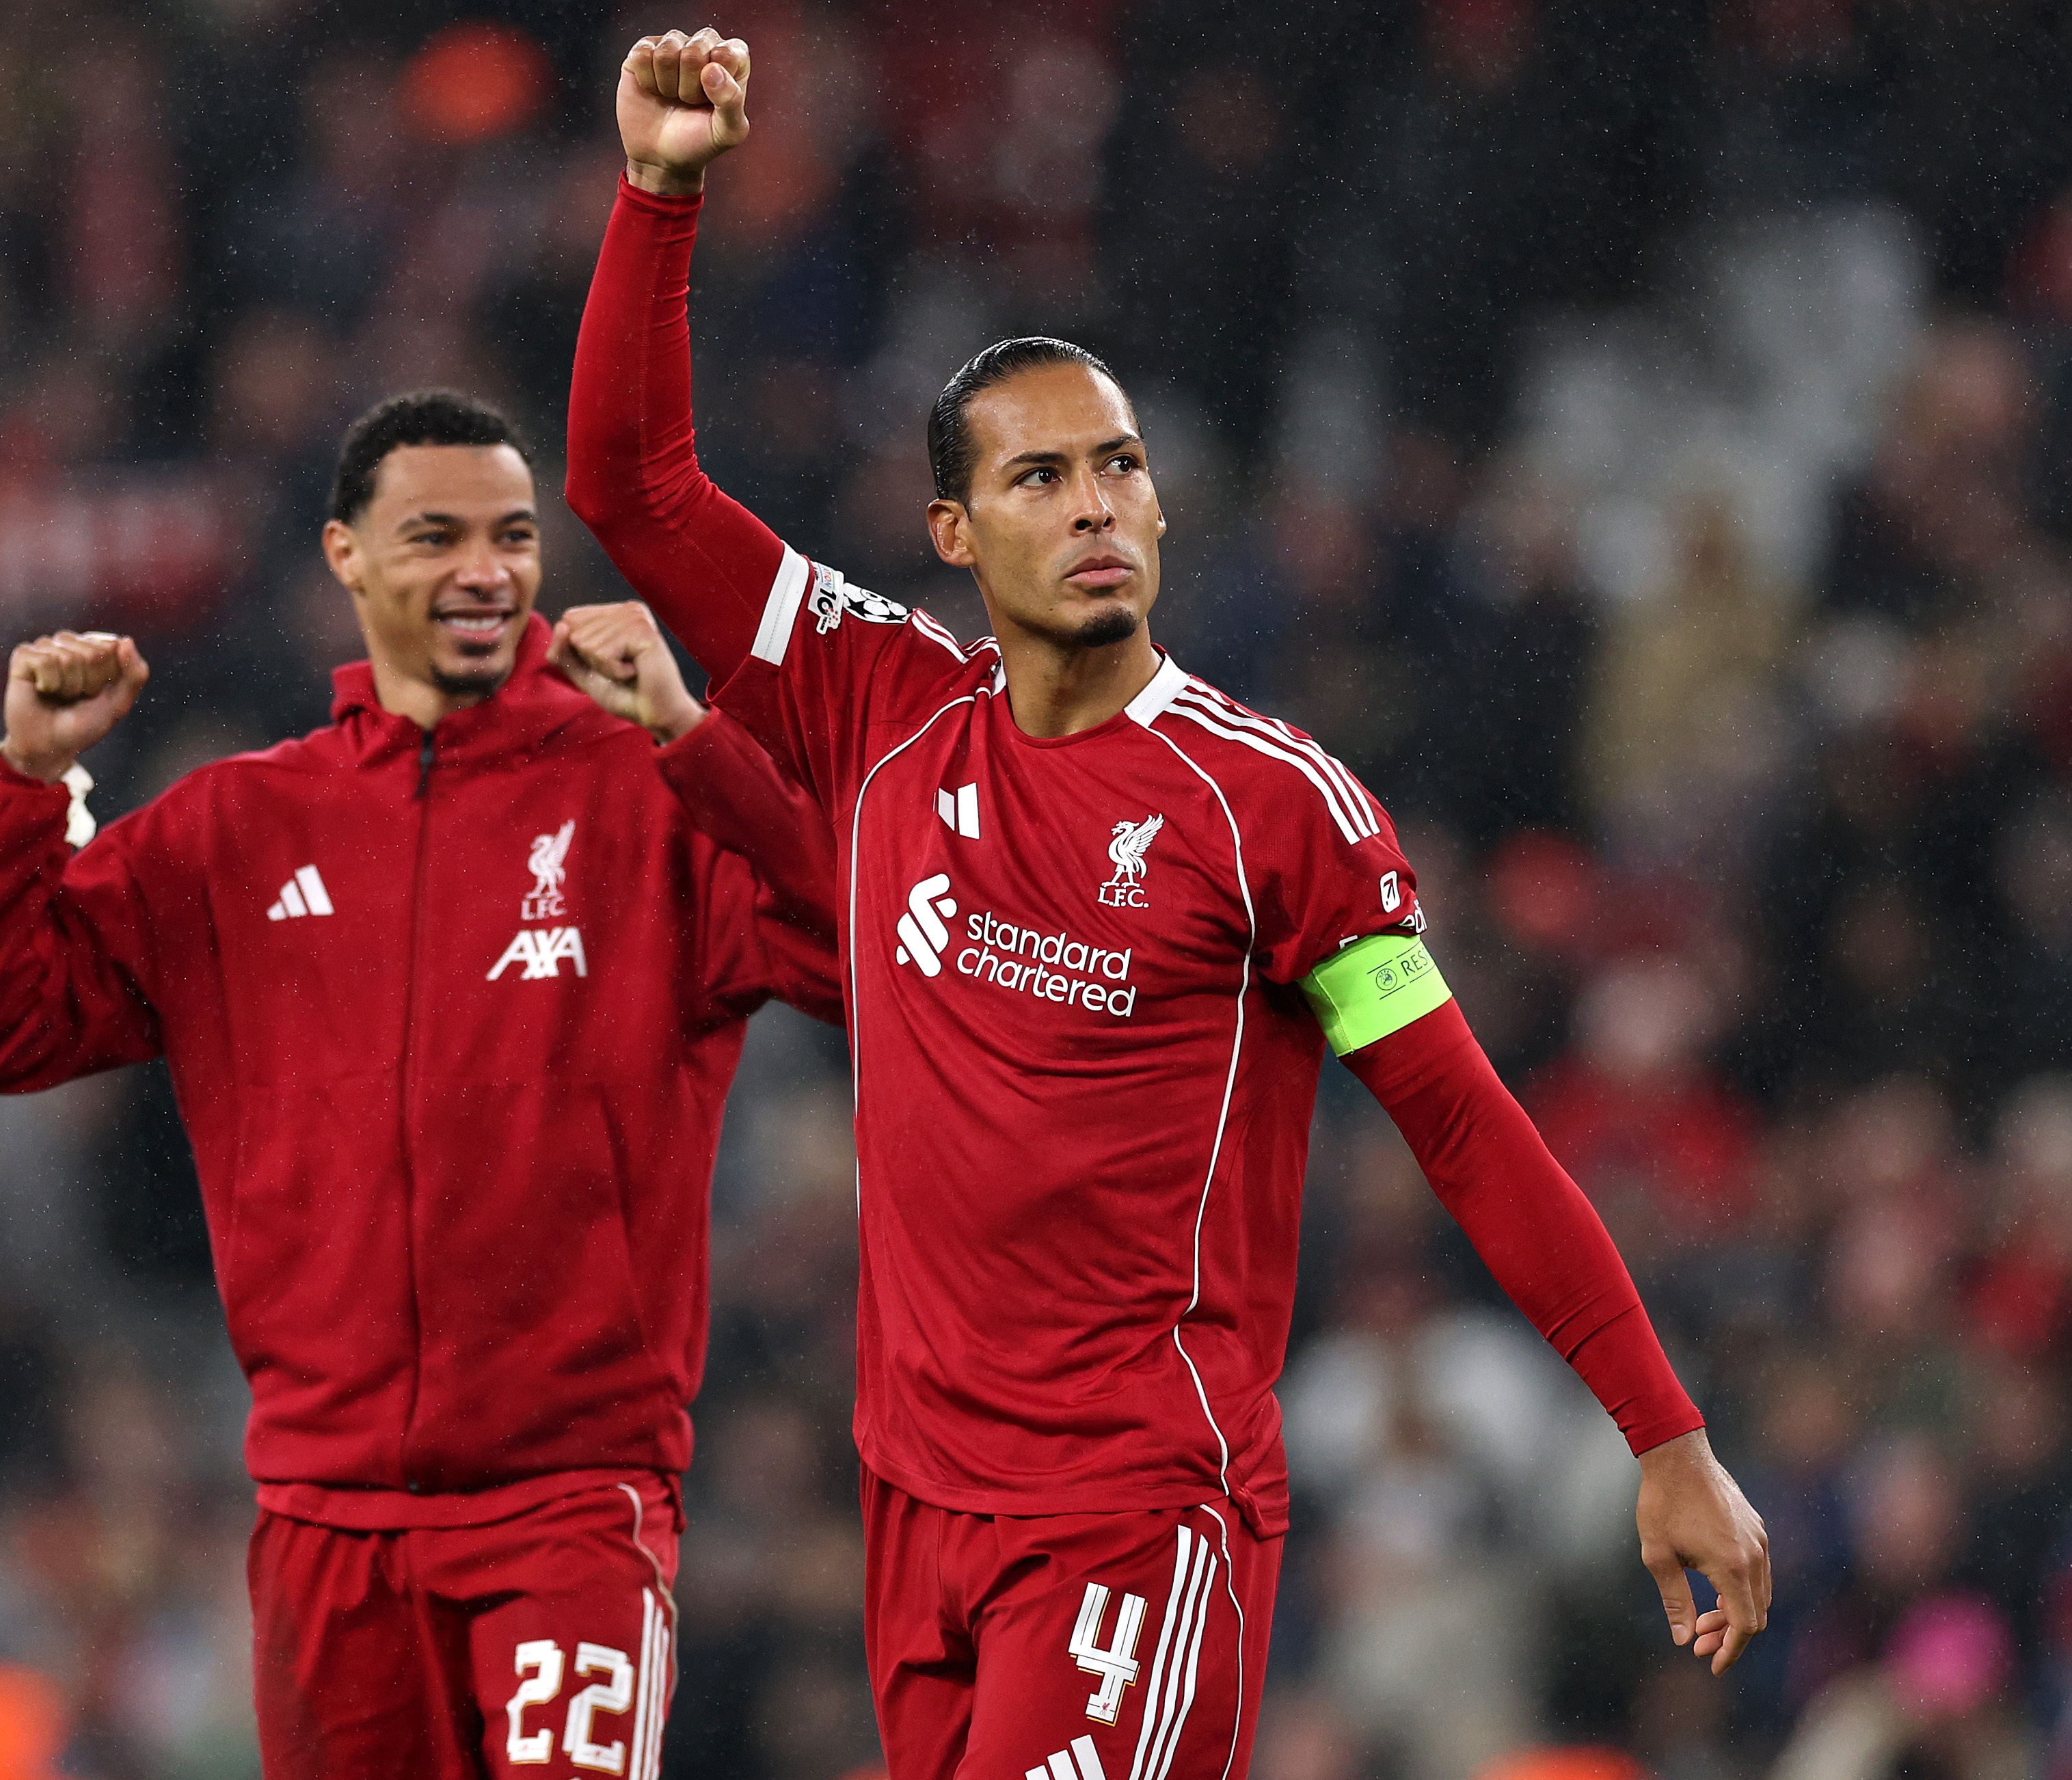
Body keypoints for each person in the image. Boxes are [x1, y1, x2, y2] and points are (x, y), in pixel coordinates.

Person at [565, 34, 1773, 1780]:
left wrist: (1662, 1433)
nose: (1097, 507)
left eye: (1118, 465)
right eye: (1040, 480)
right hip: (916, 1506)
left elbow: (1459, 1120)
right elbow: (633, 489)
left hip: (1141, 1509)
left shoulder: (1272, 808)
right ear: (956, 531)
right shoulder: (876, 702)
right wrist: (662, 191)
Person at [0, 389, 833, 1778]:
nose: (486, 570)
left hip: (568, 1511)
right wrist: (28, 782)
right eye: (436, 536)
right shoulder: (237, 829)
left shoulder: (643, 795)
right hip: (324, 1527)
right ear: (344, 556)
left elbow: (871, 955)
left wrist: (699, 741)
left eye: (514, 536)